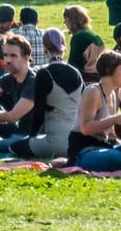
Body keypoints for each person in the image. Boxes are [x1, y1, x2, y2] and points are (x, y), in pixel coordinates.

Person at [5, 29, 82, 160]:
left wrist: (31, 138)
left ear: (45, 48)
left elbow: (39, 113)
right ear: (64, 48)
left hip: (56, 142)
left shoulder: (44, 73)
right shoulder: (76, 72)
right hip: (77, 142)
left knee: (11, 146)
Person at [68, 51, 121, 171]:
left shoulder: (113, 94)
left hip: (102, 146)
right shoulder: (93, 92)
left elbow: (107, 131)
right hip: (84, 150)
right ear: (109, 70)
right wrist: (115, 119)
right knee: (116, 158)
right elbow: (86, 128)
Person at [0, 33, 40, 149]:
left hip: (32, 136)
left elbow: (12, 116)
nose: (8, 60)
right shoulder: (11, 77)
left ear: (26, 58)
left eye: (13, 56)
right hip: (17, 130)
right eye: (5, 55)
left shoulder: (33, 81)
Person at [63, 5, 106, 75]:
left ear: (69, 20)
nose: (64, 23)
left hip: (88, 76)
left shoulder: (78, 37)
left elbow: (74, 65)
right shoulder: (92, 34)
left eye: (65, 20)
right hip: (100, 73)